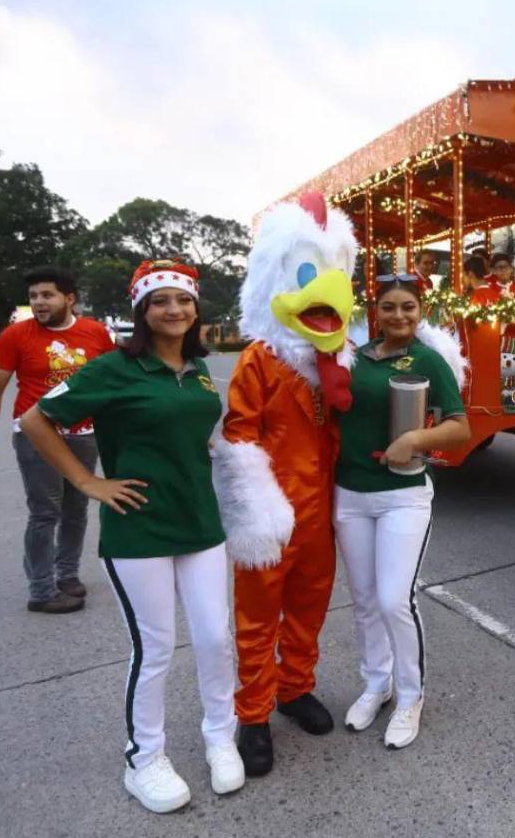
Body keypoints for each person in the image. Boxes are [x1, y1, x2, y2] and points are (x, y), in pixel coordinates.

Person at [20, 259, 243, 813]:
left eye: (184, 300)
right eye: (161, 301)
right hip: (138, 527)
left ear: (196, 309)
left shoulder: (195, 368)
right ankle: (144, 758)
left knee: (216, 637)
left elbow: (190, 433)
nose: (175, 310)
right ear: (143, 310)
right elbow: (34, 419)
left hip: (200, 522)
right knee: (156, 648)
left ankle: (221, 735)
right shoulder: (114, 368)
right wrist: (86, 480)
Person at [211, 192, 357, 778]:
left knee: (310, 606)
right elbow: (238, 437)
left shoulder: (342, 360)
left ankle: (295, 688)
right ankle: (252, 713)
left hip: (321, 512)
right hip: (272, 513)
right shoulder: (260, 362)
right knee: (257, 616)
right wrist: (254, 512)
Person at [334, 274, 470, 749]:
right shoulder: (352, 357)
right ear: (376, 310)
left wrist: (414, 439)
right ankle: (377, 683)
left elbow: (459, 427)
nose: (399, 316)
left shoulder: (428, 358)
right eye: (389, 307)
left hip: (404, 494)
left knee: (395, 599)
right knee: (366, 601)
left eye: (408, 307)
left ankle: (410, 695)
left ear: (420, 311)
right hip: (349, 495)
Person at [0, 266, 115, 613]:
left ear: (69, 299)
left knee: (77, 509)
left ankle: (67, 574)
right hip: (36, 435)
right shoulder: (16, 336)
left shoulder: (95, 333)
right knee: (44, 512)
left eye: (47, 295)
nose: (38, 302)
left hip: (84, 434)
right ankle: (41, 589)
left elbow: (113, 384)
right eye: (34, 296)